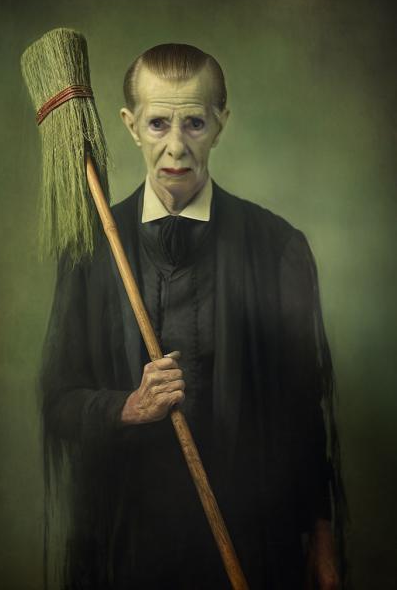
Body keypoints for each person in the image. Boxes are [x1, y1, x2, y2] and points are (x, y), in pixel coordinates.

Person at [41, 43, 346, 590]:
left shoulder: (278, 247)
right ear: (131, 125)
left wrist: (322, 543)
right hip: (126, 550)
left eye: (195, 123)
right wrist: (128, 406)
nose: (176, 147)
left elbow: (304, 414)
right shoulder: (90, 253)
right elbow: (57, 403)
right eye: (158, 123)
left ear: (220, 124)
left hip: (253, 543)